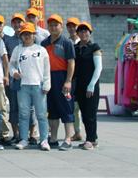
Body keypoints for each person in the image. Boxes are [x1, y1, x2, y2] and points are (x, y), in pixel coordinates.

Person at [9, 23, 51, 151]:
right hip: (23, 87)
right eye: (24, 34)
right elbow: (11, 65)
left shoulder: (41, 50)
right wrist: (14, 73)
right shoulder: (18, 49)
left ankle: (44, 140)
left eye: (29, 34)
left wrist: (47, 84)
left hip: (38, 86)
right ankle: (23, 139)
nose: (27, 36)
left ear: (34, 35)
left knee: (41, 114)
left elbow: (46, 69)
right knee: (23, 114)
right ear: (21, 36)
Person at [42, 14, 76, 151]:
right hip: (48, 77)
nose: (53, 27)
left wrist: (68, 81)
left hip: (62, 77)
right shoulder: (44, 43)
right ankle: (54, 138)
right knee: (52, 109)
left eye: (56, 25)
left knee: (66, 108)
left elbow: (71, 62)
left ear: (61, 27)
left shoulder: (67, 42)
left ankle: (68, 139)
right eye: (51, 25)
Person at [73, 22, 102, 150]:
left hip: (91, 86)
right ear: (77, 33)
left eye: (86, 31)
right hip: (79, 85)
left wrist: (91, 85)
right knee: (84, 113)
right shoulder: (75, 48)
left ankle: (91, 140)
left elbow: (98, 68)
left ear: (90, 33)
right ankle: (91, 138)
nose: (83, 33)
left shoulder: (94, 47)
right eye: (81, 31)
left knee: (90, 113)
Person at [1, 13, 25, 143]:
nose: (17, 25)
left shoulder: (31, 38)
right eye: (14, 22)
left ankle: (30, 134)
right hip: (13, 79)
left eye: (19, 22)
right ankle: (16, 134)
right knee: (14, 107)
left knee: (28, 108)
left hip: (28, 79)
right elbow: (5, 60)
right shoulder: (8, 40)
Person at [65, 16, 82, 141]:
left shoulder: (83, 41)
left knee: (81, 107)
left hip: (82, 78)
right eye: (69, 26)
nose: (72, 28)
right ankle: (77, 132)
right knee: (73, 106)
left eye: (74, 26)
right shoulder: (66, 42)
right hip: (72, 78)